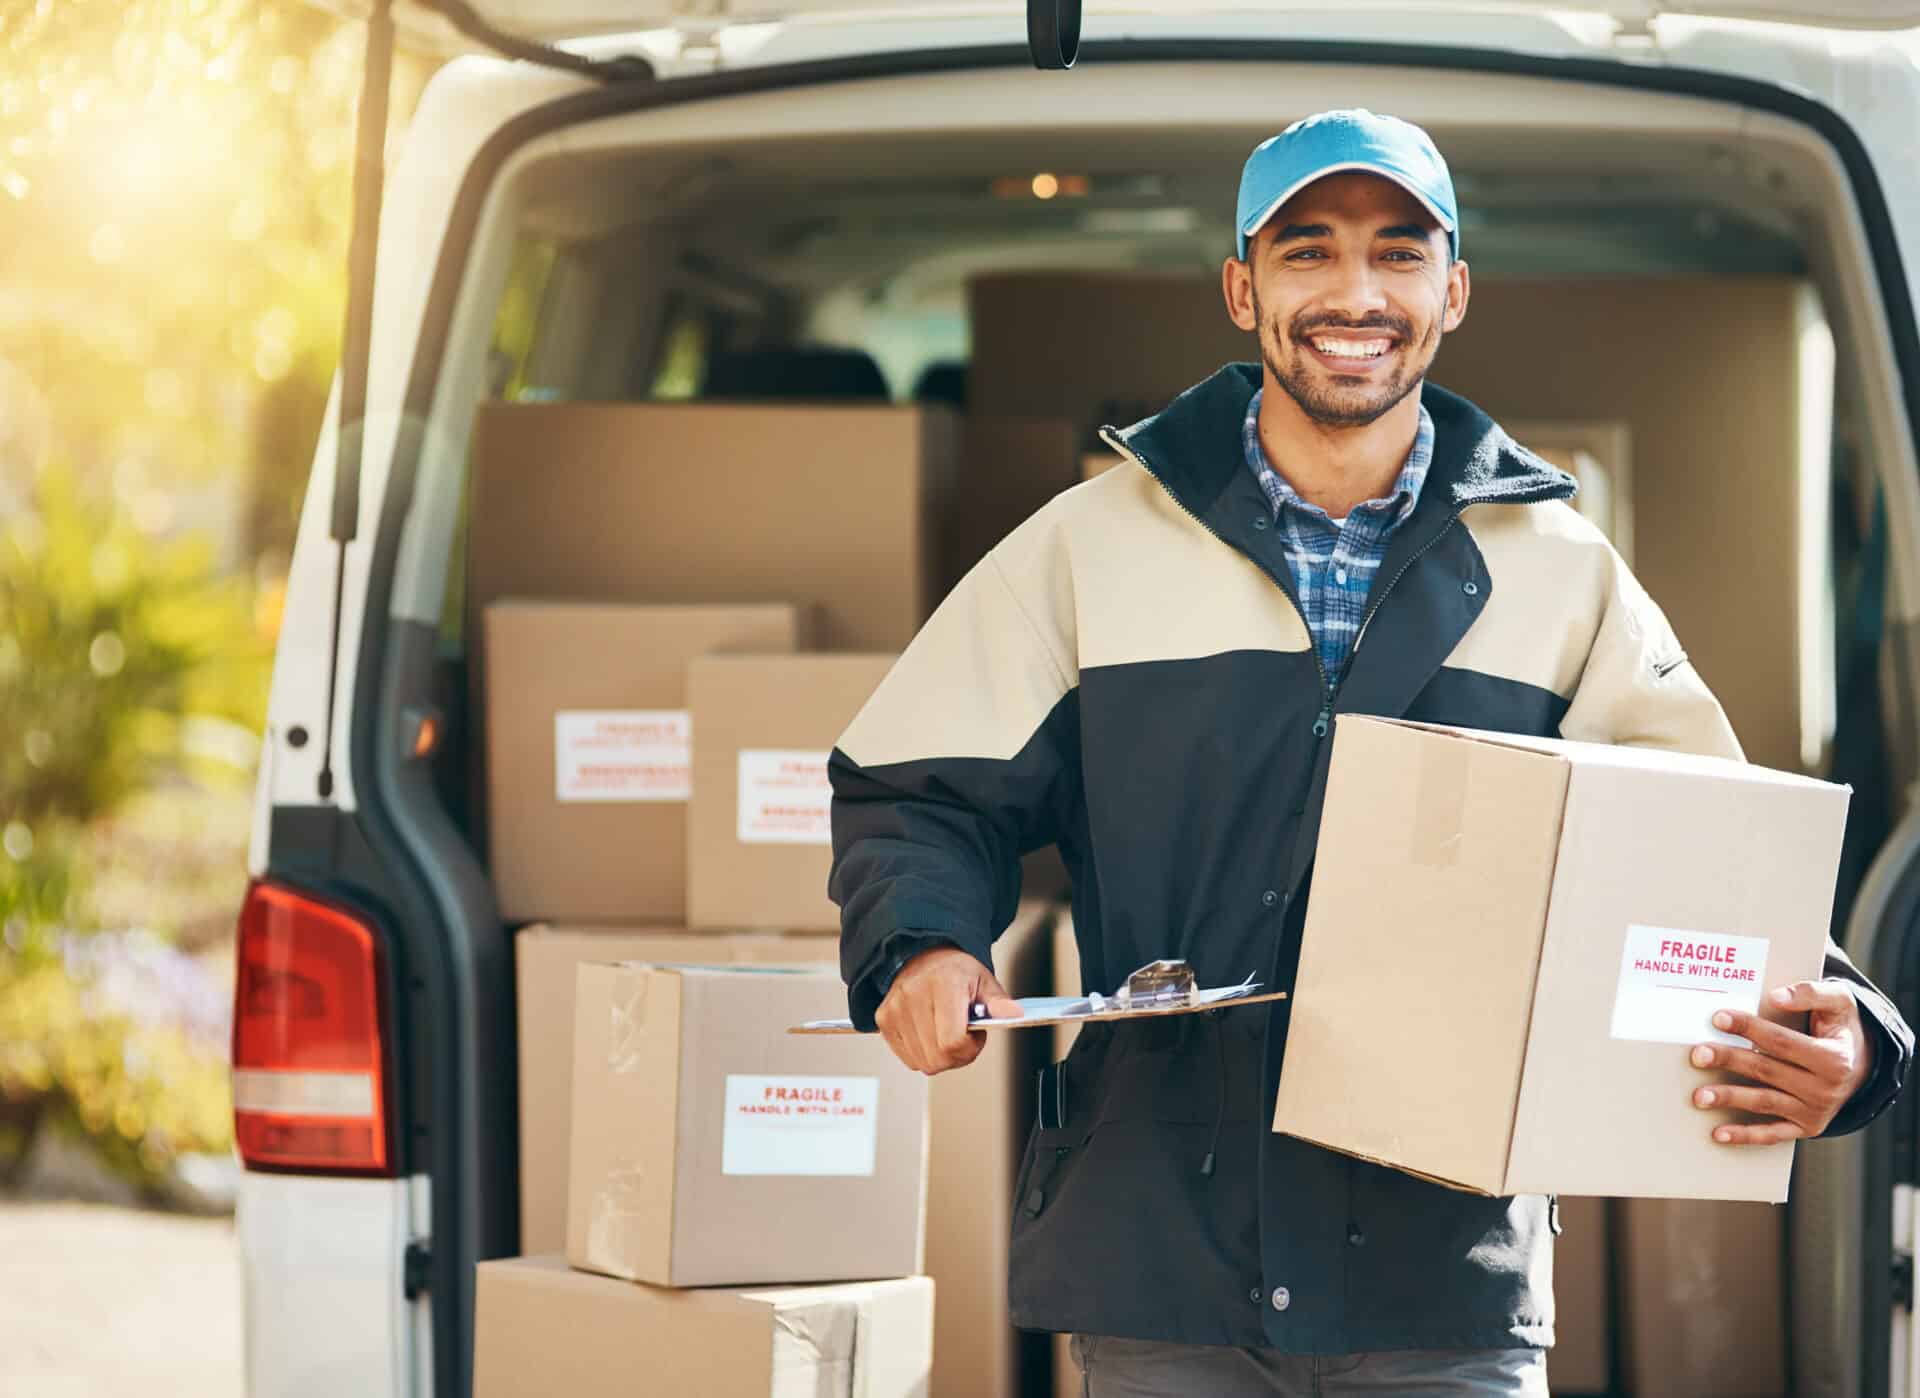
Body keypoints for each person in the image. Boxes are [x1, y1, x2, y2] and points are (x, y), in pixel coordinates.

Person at [826, 109, 1912, 1397]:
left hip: (1442, 1272)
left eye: (1398, 255)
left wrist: (1855, 1031)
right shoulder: (1085, 548)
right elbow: (913, 791)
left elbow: (1710, 857)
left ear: (1452, 294)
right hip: (1168, 1269)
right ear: (1242, 288)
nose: (1356, 294)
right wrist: (925, 941)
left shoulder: (1562, 579)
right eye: (1307, 252)